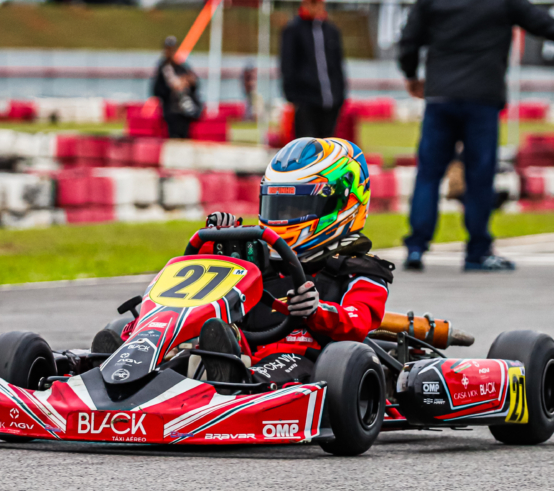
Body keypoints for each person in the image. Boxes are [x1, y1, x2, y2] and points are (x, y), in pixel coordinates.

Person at [93, 138, 392, 389]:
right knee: (190, 351)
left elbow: (358, 322)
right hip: (242, 347)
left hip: (307, 359)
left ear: (343, 203)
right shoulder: (259, 258)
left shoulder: (360, 270)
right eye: (277, 205)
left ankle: (233, 382)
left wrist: (317, 311)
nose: (282, 218)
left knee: (274, 368)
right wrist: (219, 247)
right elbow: (211, 297)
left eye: (295, 207)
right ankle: (127, 361)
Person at [397, 0, 554, 272]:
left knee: (428, 174)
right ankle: (477, 252)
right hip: (482, 97)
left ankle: (416, 247)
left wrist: (411, 75)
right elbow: (545, 24)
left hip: (440, 96)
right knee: (480, 176)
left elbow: (408, 41)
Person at [280, 0, 346, 139]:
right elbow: (287, 64)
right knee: (308, 143)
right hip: (305, 99)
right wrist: (292, 96)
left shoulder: (331, 31)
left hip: (330, 101)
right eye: (313, 3)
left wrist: (340, 95)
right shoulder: (293, 30)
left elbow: (338, 65)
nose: (317, 7)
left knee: (327, 143)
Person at [152, 36, 202, 139]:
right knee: (174, 138)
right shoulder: (163, 69)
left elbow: (195, 84)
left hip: (185, 111)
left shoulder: (183, 67)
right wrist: (172, 87)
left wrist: (188, 82)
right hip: (171, 112)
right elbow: (157, 90)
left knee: (185, 137)